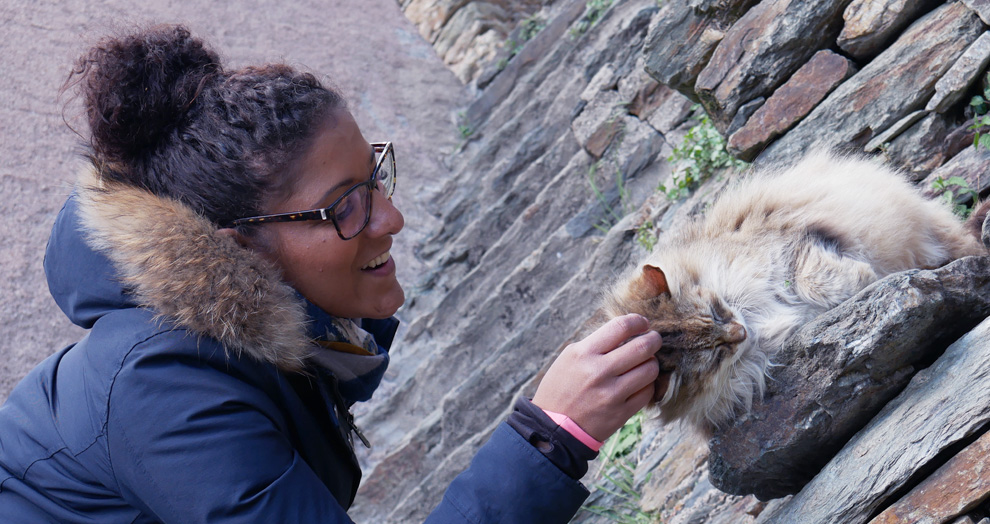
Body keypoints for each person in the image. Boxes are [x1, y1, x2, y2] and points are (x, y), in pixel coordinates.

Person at [0, 25, 662, 523]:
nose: (391, 218)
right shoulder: (163, 394)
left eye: (375, 179)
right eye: (346, 204)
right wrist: (553, 435)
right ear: (242, 251)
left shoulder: (246, 336)